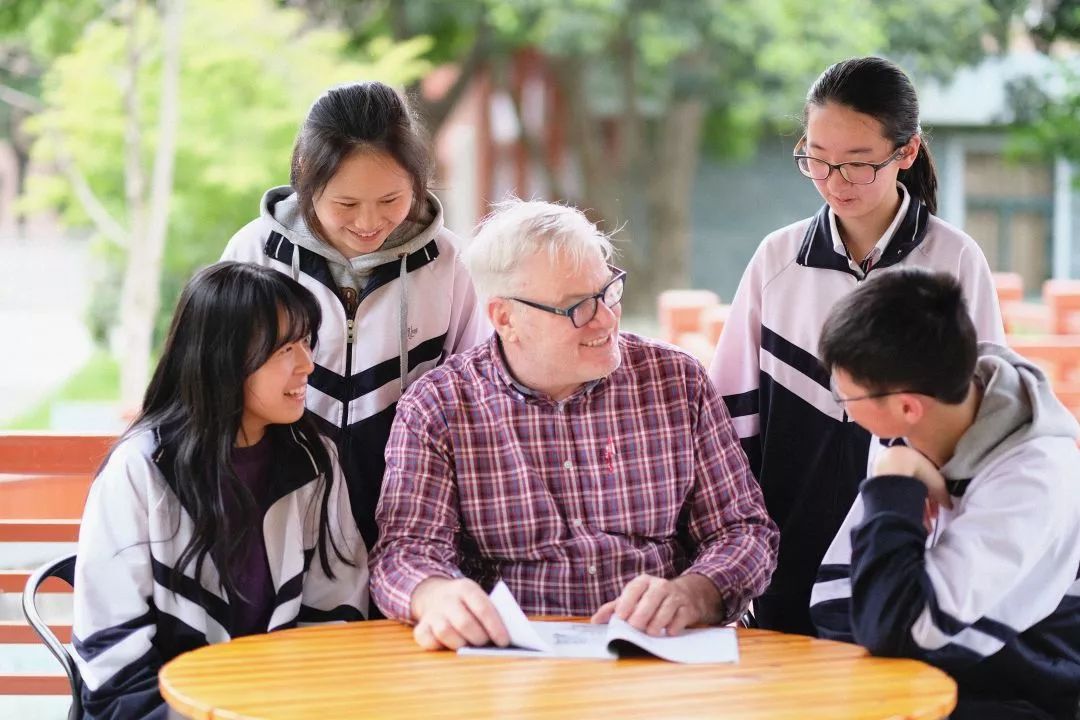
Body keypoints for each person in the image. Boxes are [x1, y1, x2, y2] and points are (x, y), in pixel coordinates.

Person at [369, 199, 778, 651]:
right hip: (510, 662)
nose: (605, 318)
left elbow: (743, 530)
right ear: (505, 318)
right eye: (577, 307)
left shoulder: (676, 381)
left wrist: (696, 593)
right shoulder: (439, 406)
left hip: (660, 657)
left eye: (608, 292)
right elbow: (405, 552)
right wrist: (433, 594)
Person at [708, 56, 1006, 635]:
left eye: (858, 164)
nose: (834, 181)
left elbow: (984, 413)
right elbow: (730, 420)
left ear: (906, 152)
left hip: (908, 553)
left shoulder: (954, 260)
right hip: (786, 553)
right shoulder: (777, 260)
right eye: (817, 159)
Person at [73, 262, 369, 719]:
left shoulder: (314, 460)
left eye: (306, 342)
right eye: (285, 349)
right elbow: (114, 662)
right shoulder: (140, 470)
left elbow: (337, 614)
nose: (308, 364)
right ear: (224, 358)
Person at [222, 81, 488, 552]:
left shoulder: (451, 265)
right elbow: (218, 386)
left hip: (409, 522)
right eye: (346, 204)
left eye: (390, 200)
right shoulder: (255, 254)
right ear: (305, 178)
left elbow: (475, 398)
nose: (368, 223)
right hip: (274, 518)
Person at [809, 268, 1080, 719]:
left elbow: (893, 626)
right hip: (916, 687)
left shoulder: (1033, 478)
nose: (848, 412)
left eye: (847, 400)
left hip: (1020, 700)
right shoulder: (908, 433)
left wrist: (894, 485)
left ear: (907, 406)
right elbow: (837, 598)